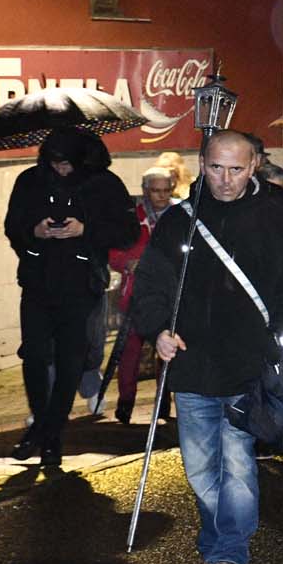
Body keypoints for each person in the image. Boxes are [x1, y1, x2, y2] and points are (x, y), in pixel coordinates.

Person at [129, 131, 283, 564]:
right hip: (192, 367)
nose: (226, 179)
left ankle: (229, 555)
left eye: (236, 169)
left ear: (253, 166)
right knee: (198, 467)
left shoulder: (275, 219)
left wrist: (280, 340)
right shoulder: (180, 221)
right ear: (201, 164)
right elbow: (151, 284)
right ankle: (217, 545)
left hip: (246, 366)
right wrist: (158, 330)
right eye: (216, 168)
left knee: (236, 464)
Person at [4, 128, 138, 466]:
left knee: (70, 361)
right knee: (34, 355)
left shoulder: (103, 183)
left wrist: (86, 229)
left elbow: (127, 233)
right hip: (37, 281)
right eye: (55, 163)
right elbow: (12, 226)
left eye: (67, 164)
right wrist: (34, 232)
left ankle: (49, 436)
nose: (62, 170)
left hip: (81, 285)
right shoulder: (30, 180)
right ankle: (43, 425)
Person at [106, 166, 177, 424]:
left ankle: (164, 401)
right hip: (135, 295)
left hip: (170, 295)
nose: (160, 196)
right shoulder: (132, 218)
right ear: (146, 191)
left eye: (165, 190)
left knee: (167, 352)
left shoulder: (178, 216)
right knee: (130, 352)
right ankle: (126, 402)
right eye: (155, 191)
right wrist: (128, 262)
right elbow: (114, 253)